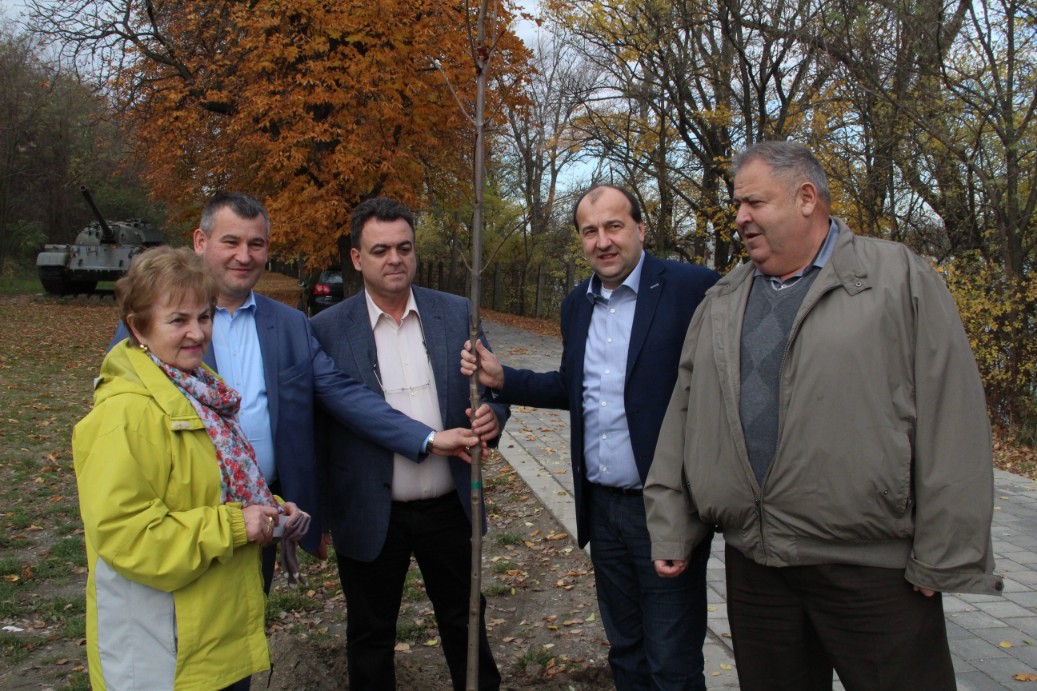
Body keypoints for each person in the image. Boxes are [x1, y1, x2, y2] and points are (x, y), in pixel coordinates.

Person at [644, 140, 1003, 690]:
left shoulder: (896, 277)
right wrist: (672, 528)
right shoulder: (723, 299)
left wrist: (946, 554)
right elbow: (684, 418)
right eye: (738, 205)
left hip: (873, 572)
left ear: (806, 198)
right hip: (757, 566)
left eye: (754, 202)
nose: (740, 217)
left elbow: (951, 414)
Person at [108, 192, 480, 590]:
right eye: (231, 242)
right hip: (180, 521)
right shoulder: (155, 328)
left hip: (263, 510)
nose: (244, 256)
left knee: (249, 612)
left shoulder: (290, 326)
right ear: (201, 241)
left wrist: (426, 438)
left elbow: (345, 396)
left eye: (256, 244)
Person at [461, 185, 719, 690]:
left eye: (614, 226)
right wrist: (504, 378)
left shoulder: (692, 289)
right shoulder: (576, 304)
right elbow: (572, 386)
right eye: (590, 231)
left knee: (672, 661)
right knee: (626, 652)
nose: (603, 241)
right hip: (600, 508)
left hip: (664, 508)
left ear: (640, 228)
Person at [73, 247, 310, 690]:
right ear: (138, 327)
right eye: (178, 320)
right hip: (163, 652)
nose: (197, 333)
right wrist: (236, 525)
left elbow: (211, 487)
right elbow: (130, 538)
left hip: (215, 635)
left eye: (204, 317)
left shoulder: (201, 392)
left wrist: (270, 509)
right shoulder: (124, 415)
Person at [311, 197, 507, 691]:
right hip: (370, 507)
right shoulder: (327, 330)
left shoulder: (456, 312)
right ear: (357, 258)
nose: (395, 259)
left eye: (404, 247)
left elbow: (492, 387)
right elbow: (324, 421)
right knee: (370, 634)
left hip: (449, 506)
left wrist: (492, 416)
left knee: (466, 621)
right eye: (380, 250)